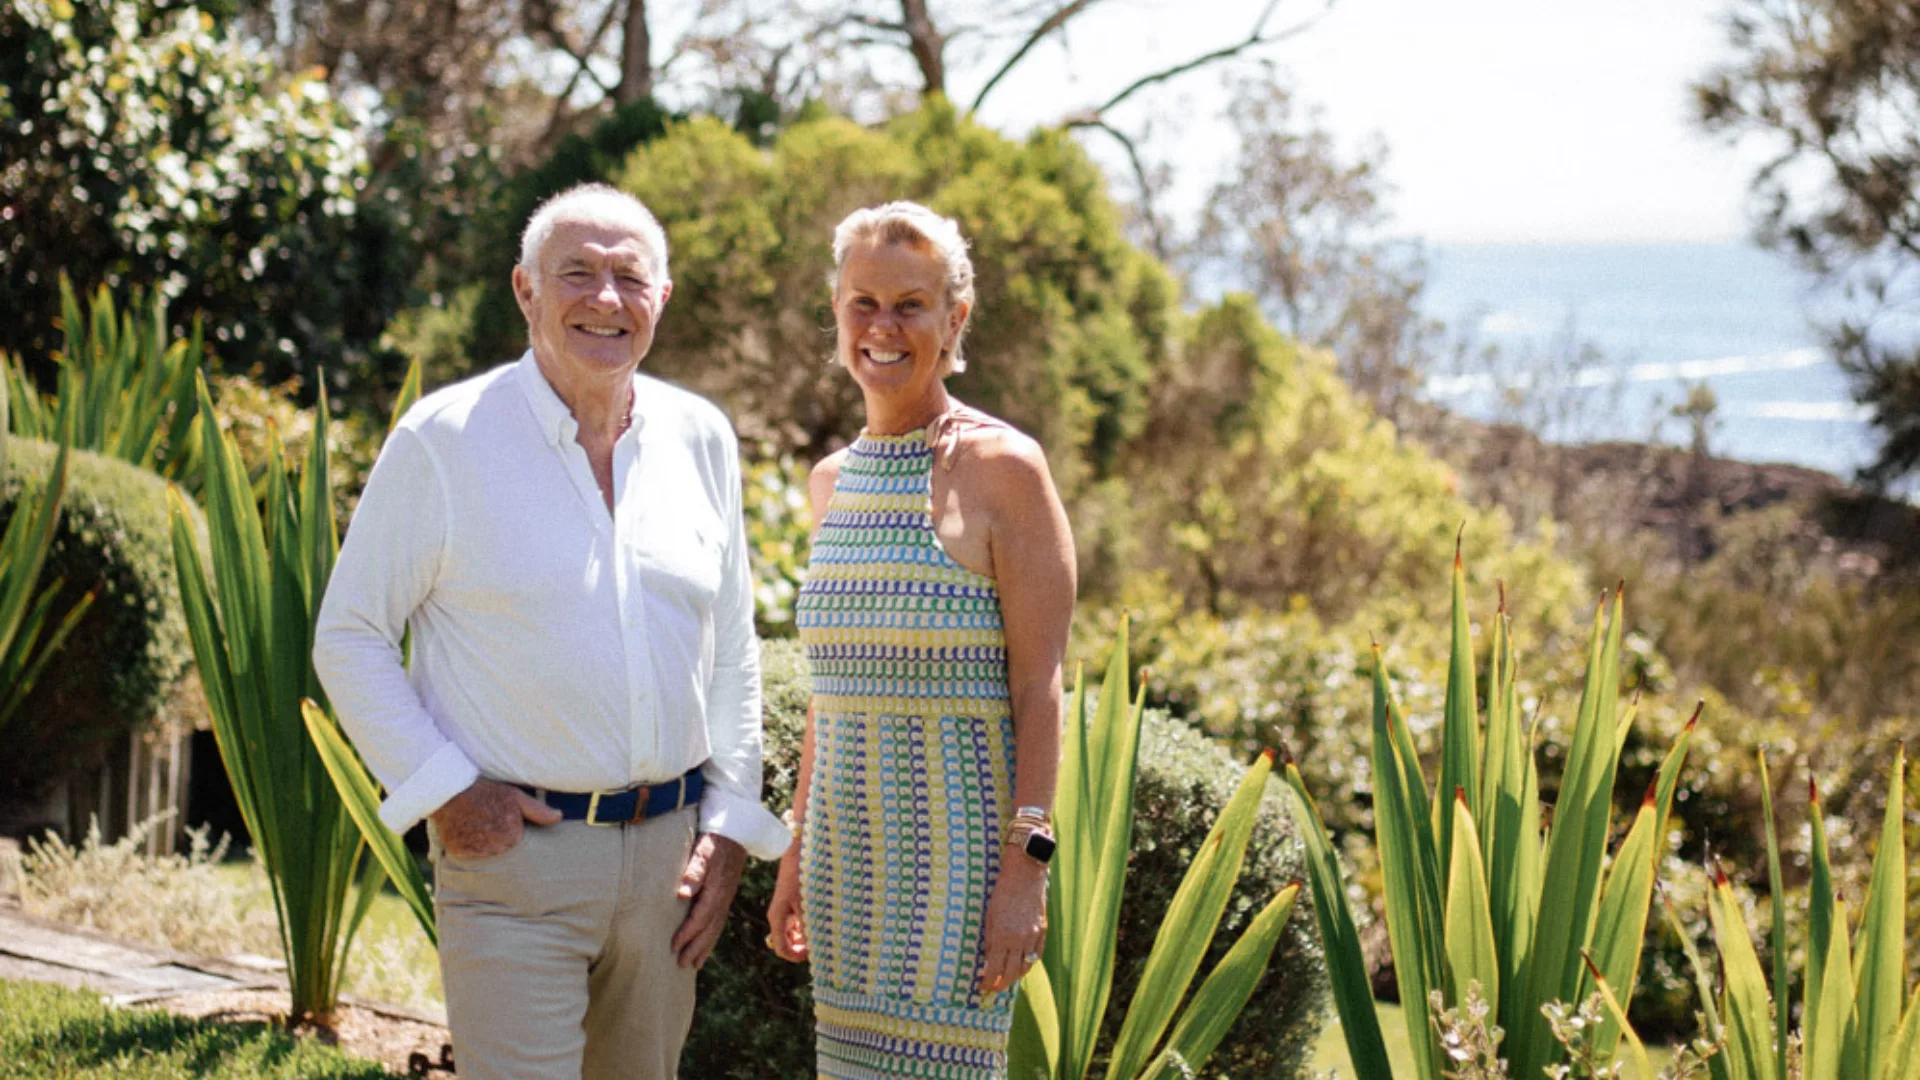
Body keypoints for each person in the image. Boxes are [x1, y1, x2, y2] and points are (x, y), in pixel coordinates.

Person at [313, 183, 790, 1080]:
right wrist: (447, 788)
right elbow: (350, 635)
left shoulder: (703, 437)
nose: (604, 299)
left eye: (628, 277)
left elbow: (730, 649)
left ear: (662, 298)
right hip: (514, 869)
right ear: (526, 292)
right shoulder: (444, 440)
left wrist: (729, 825)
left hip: (668, 876)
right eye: (576, 274)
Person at [765, 201, 1075, 1079]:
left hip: (960, 874)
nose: (884, 327)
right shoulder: (832, 482)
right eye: (863, 302)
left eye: (911, 304)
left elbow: (1039, 685)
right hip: (843, 863)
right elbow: (831, 693)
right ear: (837, 313)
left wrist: (1027, 870)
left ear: (955, 318)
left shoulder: (1003, 469)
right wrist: (796, 846)